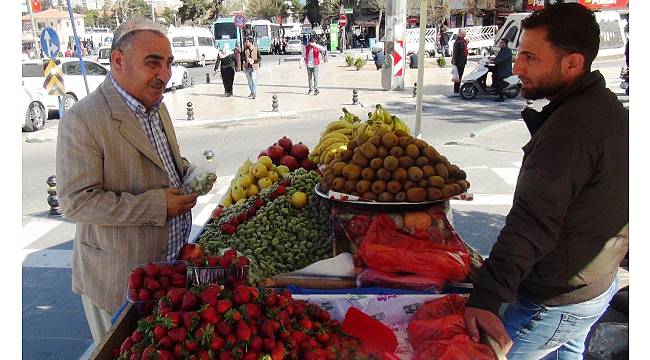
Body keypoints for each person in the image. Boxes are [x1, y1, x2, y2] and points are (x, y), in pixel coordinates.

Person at [463, 4, 628, 359]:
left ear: (572, 63)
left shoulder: (572, 129)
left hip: (556, 298)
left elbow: (532, 221)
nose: (517, 67)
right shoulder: (605, 105)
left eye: (530, 57)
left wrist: (487, 298)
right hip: (595, 284)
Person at [56, 18, 200, 346]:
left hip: (169, 268)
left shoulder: (156, 106)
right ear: (118, 61)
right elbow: (76, 202)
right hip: (120, 283)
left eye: (168, 63)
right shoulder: (83, 119)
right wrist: (158, 205)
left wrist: (191, 174)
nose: (164, 74)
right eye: (153, 63)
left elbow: (163, 163)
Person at [451, 29, 468, 94]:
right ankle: (456, 90)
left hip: (462, 61)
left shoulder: (462, 41)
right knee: (458, 76)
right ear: (461, 33)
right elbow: (456, 53)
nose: (465, 34)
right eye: (464, 32)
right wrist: (455, 62)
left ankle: (457, 89)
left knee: (459, 76)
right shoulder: (459, 42)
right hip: (459, 62)